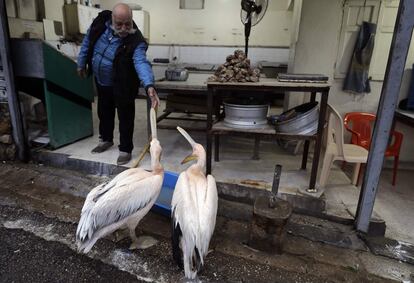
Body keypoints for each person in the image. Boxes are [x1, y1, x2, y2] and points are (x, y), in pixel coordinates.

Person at [77, 3, 159, 165]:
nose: (123, 28)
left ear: (132, 19)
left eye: (127, 24)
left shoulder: (136, 40)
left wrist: (149, 84)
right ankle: (106, 140)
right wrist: (81, 62)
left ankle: (125, 149)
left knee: (125, 116)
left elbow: (141, 62)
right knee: (104, 111)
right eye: (119, 24)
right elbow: (88, 40)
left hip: (123, 84)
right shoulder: (100, 23)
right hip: (102, 81)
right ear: (111, 20)